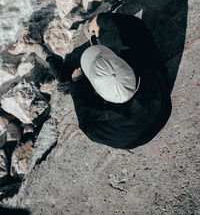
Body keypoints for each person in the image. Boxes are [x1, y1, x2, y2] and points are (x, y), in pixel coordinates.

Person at [33, 12, 171, 149]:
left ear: (97, 92)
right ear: (130, 67)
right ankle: (95, 38)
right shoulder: (153, 74)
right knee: (125, 42)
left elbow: (84, 112)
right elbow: (136, 26)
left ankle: (50, 59)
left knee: (66, 83)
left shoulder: (97, 129)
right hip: (157, 114)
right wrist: (100, 20)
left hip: (135, 131)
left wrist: (77, 81)